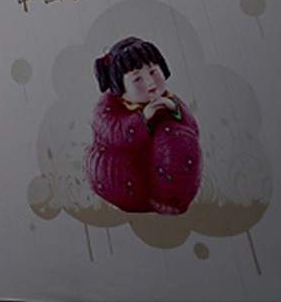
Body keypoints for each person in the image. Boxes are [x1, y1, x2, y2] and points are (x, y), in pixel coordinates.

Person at [84, 36, 201, 215]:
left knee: (177, 137)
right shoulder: (107, 107)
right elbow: (114, 133)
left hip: (160, 174)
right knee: (117, 166)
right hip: (126, 173)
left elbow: (193, 130)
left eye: (153, 72)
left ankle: (172, 198)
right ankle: (144, 200)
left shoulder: (168, 99)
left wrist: (174, 109)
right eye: (137, 79)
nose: (151, 84)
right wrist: (143, 117)